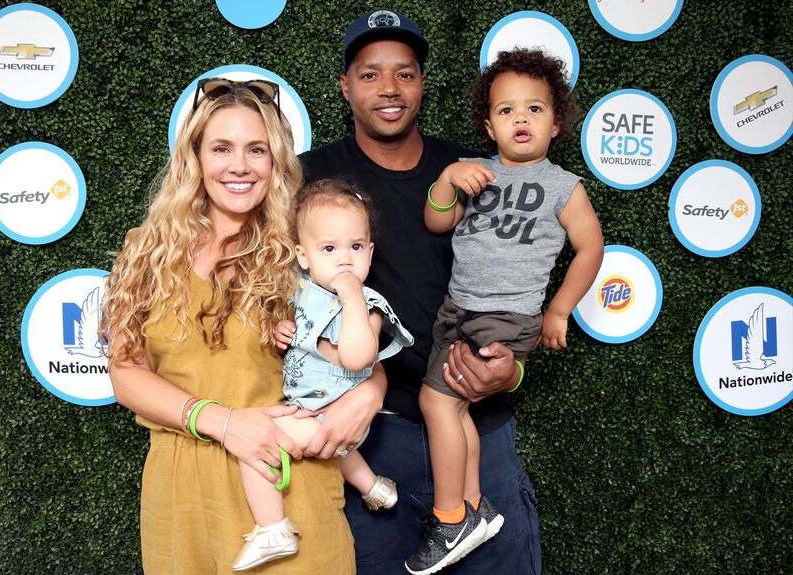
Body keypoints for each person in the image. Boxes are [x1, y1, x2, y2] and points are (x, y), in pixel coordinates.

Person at [299, 8, 541, 574]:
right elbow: (274, 296)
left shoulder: (475, 173)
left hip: (477, 425)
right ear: (344, 86)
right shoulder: (308, 178)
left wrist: (514, 371)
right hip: (372, 441)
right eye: (369, 73)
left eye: (405, 73)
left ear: (423, 83)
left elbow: (521, 292)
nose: (389, 88)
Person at [102, 77, 354, 574]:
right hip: (183, 494)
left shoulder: (305, 248)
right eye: (221, 148)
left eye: (256, 149)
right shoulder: (146, 248)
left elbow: (362, 341)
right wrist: (223, 421)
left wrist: (368, 396)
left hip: (286, 484)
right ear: (194, 157)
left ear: (276, 160)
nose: (239, 166)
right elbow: (124, 372)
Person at [410, 48, 605, 573]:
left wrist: (558, 311)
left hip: (506, 315)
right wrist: (449, 178)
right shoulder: (477, 173)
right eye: (506, 110)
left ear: (556, 121)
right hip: (458, 309)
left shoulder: (565, 187)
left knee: (435, 405)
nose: (521, 118)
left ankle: (450, 519)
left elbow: (591, 249)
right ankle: (473, 509)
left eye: (535, 109)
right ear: (489, 125)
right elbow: (436, 222)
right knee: (452, 408)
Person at [233, 178, 413, 570]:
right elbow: (297, 327)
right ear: (303, 255)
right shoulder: (300, 290)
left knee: (258, 449)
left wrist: (351, 298)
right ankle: (374, 486)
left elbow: (356, 356)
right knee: (339, 453)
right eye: (329, 249)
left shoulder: (369, 304)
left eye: (355, 247)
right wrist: (282, 328)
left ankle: (272, 527)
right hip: (310, 402)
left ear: (370, 251)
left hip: (335, 411)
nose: (344, 259)